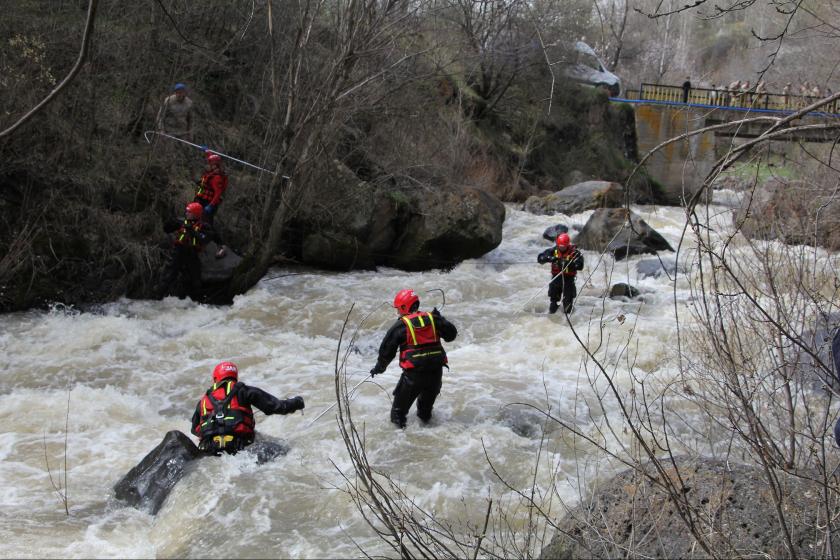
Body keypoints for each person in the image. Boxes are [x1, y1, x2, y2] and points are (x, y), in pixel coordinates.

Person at [369, 289, 457, 428]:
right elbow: (451, 335)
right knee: (425, 414)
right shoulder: (434, 319)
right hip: (435, 376)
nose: (398, 312)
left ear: (404, 307)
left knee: (397, 416)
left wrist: (378, 369)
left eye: (398, 309)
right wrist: (441, 318)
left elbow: (386, 351)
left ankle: (400, 443)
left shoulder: (401, 326)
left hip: (413, 378)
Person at [191, 361, 305, 455]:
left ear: (215, 379)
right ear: (235, 377)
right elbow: (276, 407)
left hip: (211, 449)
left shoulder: (203, 402)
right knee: (285, 450)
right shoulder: (244, 391)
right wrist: (297, 402)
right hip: (238, 447)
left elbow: (195, 430)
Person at [157, 202, 225, 300]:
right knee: (168, 275)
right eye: (187, 212)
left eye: (189, 212)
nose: (187, 214)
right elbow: (167, 229)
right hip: (178, 252)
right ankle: (158, 296)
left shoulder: (204, 226)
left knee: (195, 279)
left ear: (196, 214)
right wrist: (169, 221)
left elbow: (205, 238)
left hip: (192, 253)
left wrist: (192, 231)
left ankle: (197, 301)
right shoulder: (181, 222)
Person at [537, 233, 584, 314]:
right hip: (556, 279)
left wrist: (569, 264)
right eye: (560, 246)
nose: (561, 248)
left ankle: (567, 320)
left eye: (563, 246)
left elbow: (580, 265)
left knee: (567, 304)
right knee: (553, 304)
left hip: (568, 280)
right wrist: (550, 258)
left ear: (567, 244)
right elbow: (540, 258)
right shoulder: (553, 250)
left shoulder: (575, 252)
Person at [194, 151, 228, 224]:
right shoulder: (211, 172)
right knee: (196, 220)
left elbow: (218, 194)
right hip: (202, 200)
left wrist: (210, 205)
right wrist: (207, 152)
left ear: (214, 166)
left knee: (204, 223)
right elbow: (212, 159)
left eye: (209, 164)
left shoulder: (216, 178)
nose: (206, 165)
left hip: (208, 203)